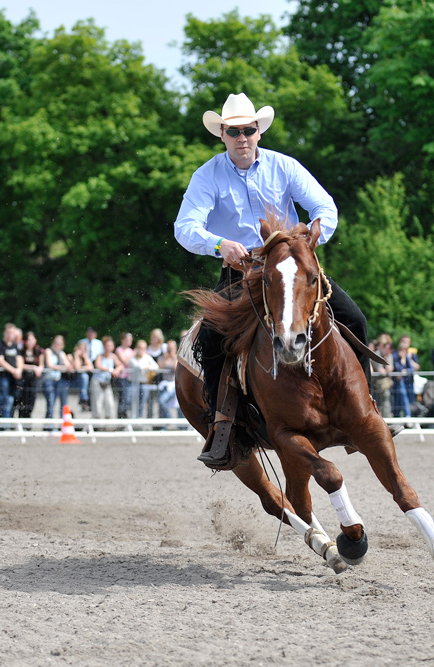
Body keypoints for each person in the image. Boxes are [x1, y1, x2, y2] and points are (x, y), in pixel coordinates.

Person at [174, 92, 371, 467]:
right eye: (234, 131)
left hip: (289, 267)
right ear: (223, 135)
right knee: (213, 338)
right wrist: (219, 243)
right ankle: (223, 428)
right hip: (240, 272)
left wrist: (310, 238)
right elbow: (184, 227)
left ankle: (367, 409)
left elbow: (324, 207)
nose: (242, 137)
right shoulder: (207, 175)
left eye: (248, 129)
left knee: (355, 319)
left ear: (259, 132)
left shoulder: (285, 167)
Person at [43, 335, 74, 423]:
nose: (58, 345)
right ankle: (49, 426)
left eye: (60, 343)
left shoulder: (62, 353)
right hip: (49, 380)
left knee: (63, 404)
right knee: (51, 403)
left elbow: (68, 366)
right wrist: (63, 367)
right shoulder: (48, 351)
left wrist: (69, 362)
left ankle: (62, 425)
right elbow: (50, 365)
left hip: (58, 380)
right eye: (56, 343)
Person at [0, 324, 23, 418]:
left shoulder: (15, 346)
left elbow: (19, 359)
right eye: (9, 332)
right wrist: (14, 371)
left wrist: (19, 370)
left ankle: (7, 421)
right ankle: (4, 424)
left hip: (13, 378)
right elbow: (1, 360)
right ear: (4, 333)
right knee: (4, 400)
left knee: (11, 400)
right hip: (3, 377)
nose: (10, 335)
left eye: (12, 333)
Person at [90, 336, 121, 419]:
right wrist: (111, 370)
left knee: (110, 402)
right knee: (98, 402)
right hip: (98, 381)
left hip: (106, 382)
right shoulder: (99, 356)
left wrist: (117, 370)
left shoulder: (113, 356)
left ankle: (108, 421)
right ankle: (97, 421)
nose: (109, 348)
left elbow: (120, 365)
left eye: (110, 346)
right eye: (107, 346)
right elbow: (99, 365)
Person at [127, 339, 159, 418]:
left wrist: (147, 368)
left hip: (144, 383)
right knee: (131, 402)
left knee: (142, 403)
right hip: (133, 384)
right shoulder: (133, 358)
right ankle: (131, 418)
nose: (141, 350)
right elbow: (137, 367)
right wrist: (147, 368)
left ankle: (139, 419)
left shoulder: (147, 357)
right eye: (140, 348)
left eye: (143, 348)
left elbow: (156, 367)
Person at [392, 335, 420, 419]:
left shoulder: (409, 356)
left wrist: (405, 369)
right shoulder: (395, 356)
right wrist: (402, 362)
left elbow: (413, 368)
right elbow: (397, 368)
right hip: (398, 382)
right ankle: (404, 416)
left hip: (408, 381)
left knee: (408, 399)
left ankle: (408, 415)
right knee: (399, 400)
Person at [18, 331, 44, 419]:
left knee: (32, 400)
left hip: (34, 380)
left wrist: (39, 369)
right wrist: (33, 367)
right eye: (28, 340)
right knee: (23, 400)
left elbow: (41, 364)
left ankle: (28, 418)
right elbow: (21, 365)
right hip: (24, 379)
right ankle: (22, 418)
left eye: (32, 340)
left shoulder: (38, 351)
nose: (30, 342)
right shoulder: (22, 351)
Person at [157, 339, 180, 418]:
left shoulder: (177, 357)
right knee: (161, 403)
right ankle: (164, 424)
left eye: (171, 348)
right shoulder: (163, 358)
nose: (170, 350)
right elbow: (161, 367)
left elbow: (176, 368)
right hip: (164, 384)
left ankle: (170, 419)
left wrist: (173, 357)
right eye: (169, 348)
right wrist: (166, 357)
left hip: (173, 384)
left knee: (162, 401)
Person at [114, 332, 134, 418]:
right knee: (123, 398)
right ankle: (121, 416)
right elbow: (126, 362)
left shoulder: (130, 351)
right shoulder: (119, 350)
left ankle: (124, 415)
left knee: (127, 398)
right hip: (122, 378)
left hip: (129, 378)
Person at [71, 341, 94, 412]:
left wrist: (85, 359)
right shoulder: (71, 356)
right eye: (80, 348)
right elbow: (77, 368)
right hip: (72, 381)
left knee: (84, 376)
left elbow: (91, 367)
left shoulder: (85, 357)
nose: (82, 351)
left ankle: (83, 398)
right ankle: (84, 398)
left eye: (84, 349)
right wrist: (76, 356)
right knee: (84, 376)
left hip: (83, 383)